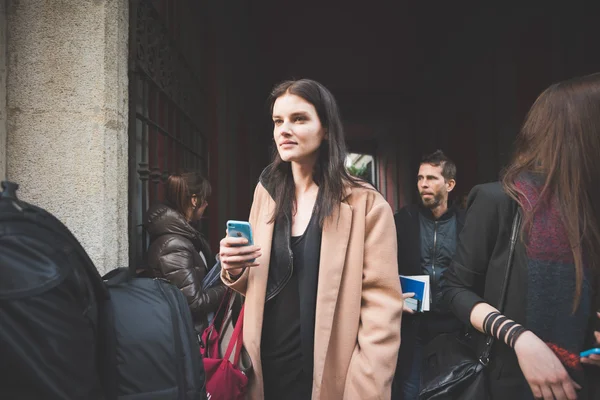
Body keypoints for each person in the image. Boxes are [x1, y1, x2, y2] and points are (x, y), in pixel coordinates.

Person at [218, 79, 403, 399]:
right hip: (263, 376)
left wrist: (363, 392)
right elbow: (255, 282)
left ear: (327, 129)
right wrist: (234, 268)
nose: (284, 130)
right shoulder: (267, 192)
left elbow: (381, 319)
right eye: (278, 121)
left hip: (328, 380)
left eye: (299, 119)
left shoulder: (366, 206)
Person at [442, 73, 600, 400]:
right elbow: (454, 290)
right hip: (511, 382)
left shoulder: (589, 211)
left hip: (583, 381)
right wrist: (520, 338)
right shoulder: (499, 201)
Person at [392, 150, 465, 399]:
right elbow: (381, 266)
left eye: (432, 178)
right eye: (421, 178)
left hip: (455, 324)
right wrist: (393, 297)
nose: (424, 184)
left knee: (455, 389)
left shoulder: (466, 224)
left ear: (450, 184)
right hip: (414, 321)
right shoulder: (403, 220)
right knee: (410, 390)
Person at [146, 171, 226, 335]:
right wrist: (229, 286)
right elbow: (194, 303)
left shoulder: (185, 236)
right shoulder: (174, 245)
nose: (207, 204)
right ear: (194, 200)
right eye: (205, 199)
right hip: (191, 336)